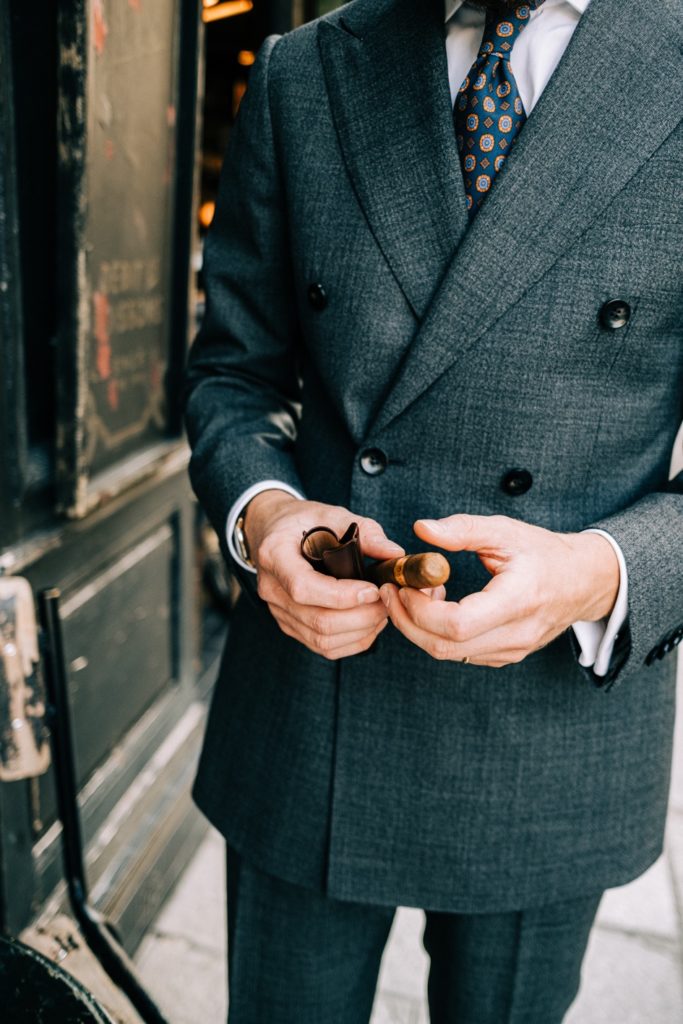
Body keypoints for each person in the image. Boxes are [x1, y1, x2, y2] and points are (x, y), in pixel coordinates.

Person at [183, 0, 683, 1020]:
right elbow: (232, 374)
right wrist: (267, 517)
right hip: (312, 706)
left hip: (550, 723)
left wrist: (595, 575)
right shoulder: (304, 70)